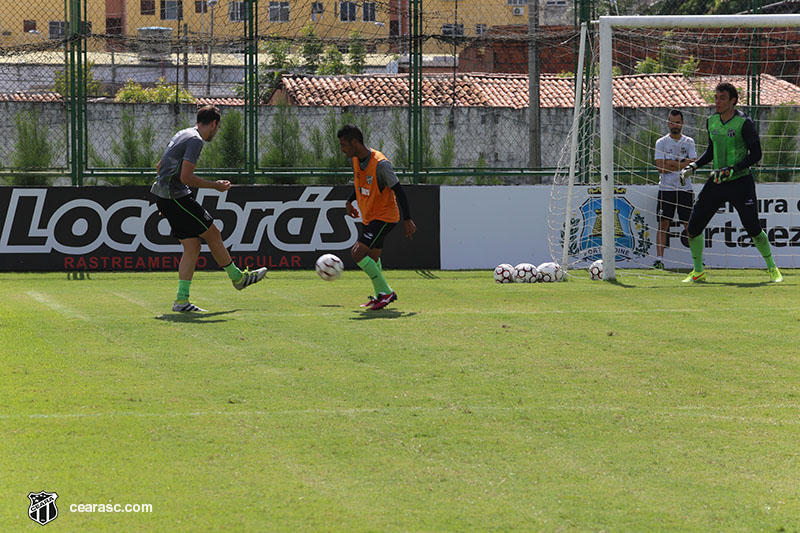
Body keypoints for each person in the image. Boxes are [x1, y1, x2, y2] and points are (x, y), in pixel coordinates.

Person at [151, 105, 267, 312]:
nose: (216, 132)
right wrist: (216, 186)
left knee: (193, 247)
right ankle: (238, 278)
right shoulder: (195, 140)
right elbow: (186, 177)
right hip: (174, 197)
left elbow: (161, 166)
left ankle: (181, 301)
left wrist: (166, 200)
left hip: (168, 196)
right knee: (213, 233)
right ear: (213, 123)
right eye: (218, 127)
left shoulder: (182, 133)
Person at [680, 82, 782, 283]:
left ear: (733, 100)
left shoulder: (744, 123)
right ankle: (698, 271)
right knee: (692, 228)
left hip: (740, 182)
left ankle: (773, 268)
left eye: (722, 98)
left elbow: (757, 154)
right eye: (716, 97)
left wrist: (733, 169)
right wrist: (693, 166)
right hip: (717, 182)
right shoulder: (712, 121)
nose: (717, 101)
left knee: (753, 228)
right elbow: (711, 152)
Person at [337, 124, 416, 310]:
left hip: (384, 217)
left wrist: (407, 219)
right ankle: (381, 294)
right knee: (372, 257)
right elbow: (361, 184)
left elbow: (399, 190)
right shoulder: (356, 160)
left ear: (354, 142)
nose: (342, 149)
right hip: (370, 217)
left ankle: (387, 292)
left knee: (357, 253)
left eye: (343, 145)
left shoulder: (381, 164)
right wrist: (350, 202)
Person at [653, 110, 696, 269]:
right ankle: (659, 260)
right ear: (667, 123)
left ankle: (697, 261)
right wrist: (680, 165)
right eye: (671, 122)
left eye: (677, 122)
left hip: (685, 189)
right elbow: (660, 168)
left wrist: (671, 163)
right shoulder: (661, 142)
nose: (674, 125)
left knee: (689, 225)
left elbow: (692, 164)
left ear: (682, 123)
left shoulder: (689, 141)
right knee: (663, 224)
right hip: (666, 190)